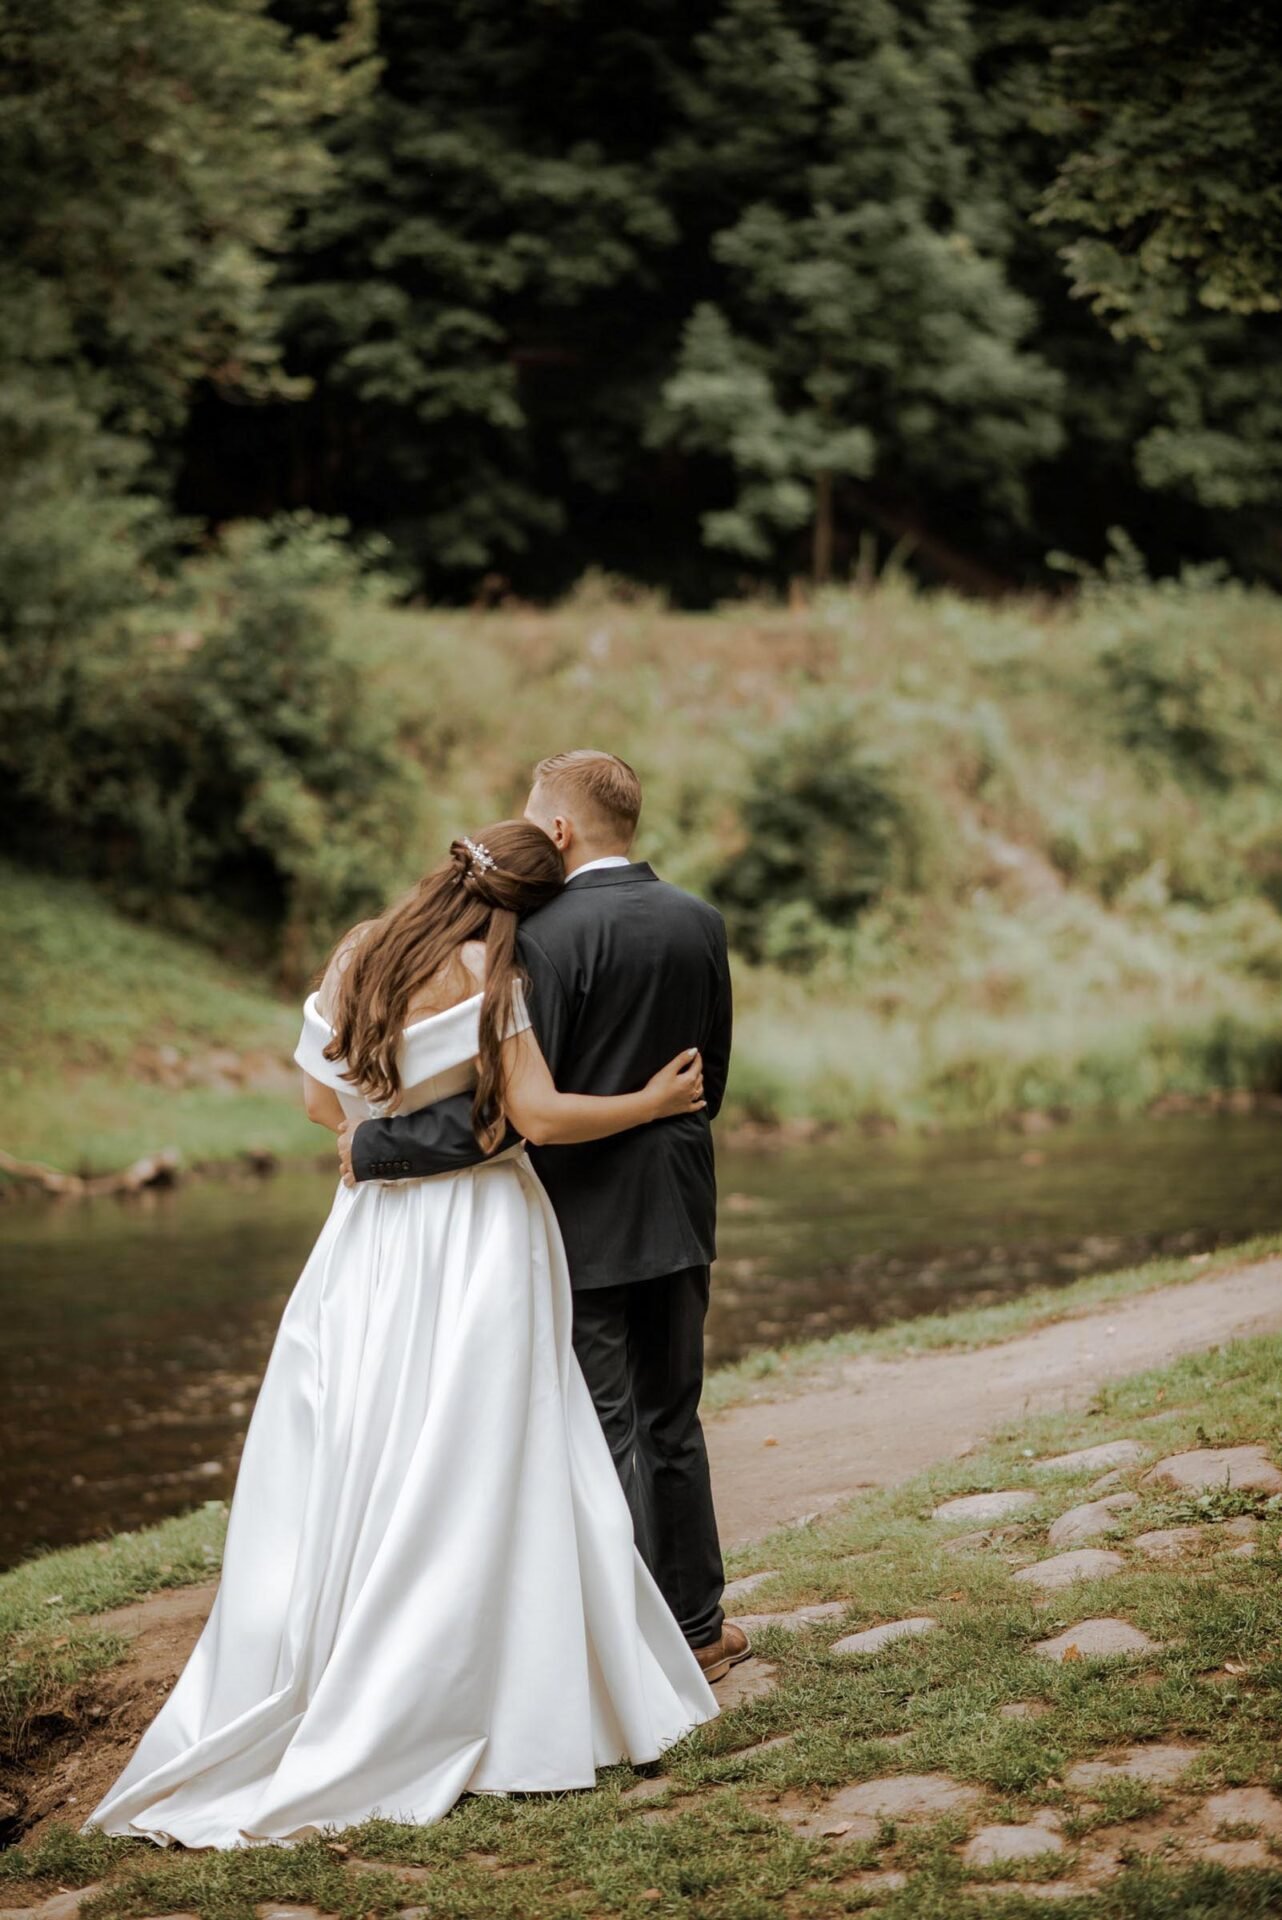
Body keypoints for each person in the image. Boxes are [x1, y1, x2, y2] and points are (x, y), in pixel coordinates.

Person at [82, 819, 719, 1849]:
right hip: (479, 1240)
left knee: (372, 1438)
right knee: (482, 1449)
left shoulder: (358, 952)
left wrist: (370, 1135)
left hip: (371, 1242)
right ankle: (501, 1682)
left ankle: (347, 1651)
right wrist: (651, 1099)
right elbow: (539, 1118)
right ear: (516, 908)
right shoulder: (491, 975)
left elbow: (313, 1101)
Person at [340, 751, 749, 1682]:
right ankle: (696, 1629)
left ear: (558, 831)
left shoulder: (537, 936)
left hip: (575, 1218)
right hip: (680, 1206)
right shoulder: (700, 921)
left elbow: (506, 1114)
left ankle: (616, 1648)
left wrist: (375, 1148)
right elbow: (706, 1085)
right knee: (674, 1422)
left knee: (603, 1429)